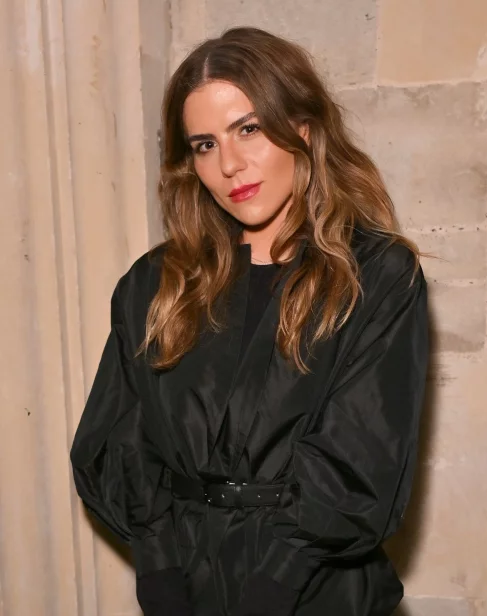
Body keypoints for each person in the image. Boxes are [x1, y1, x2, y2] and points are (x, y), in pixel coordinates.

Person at [70, 26, 429, 616]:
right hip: (185, 586)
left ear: (303, 129)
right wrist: (159, 573)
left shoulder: (376, 275)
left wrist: (272, 589)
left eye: (249, 129)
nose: (230, 165)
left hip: (315, 593)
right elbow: (119, 438)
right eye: (204, 144)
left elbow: (360, 455)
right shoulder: (154, 284)